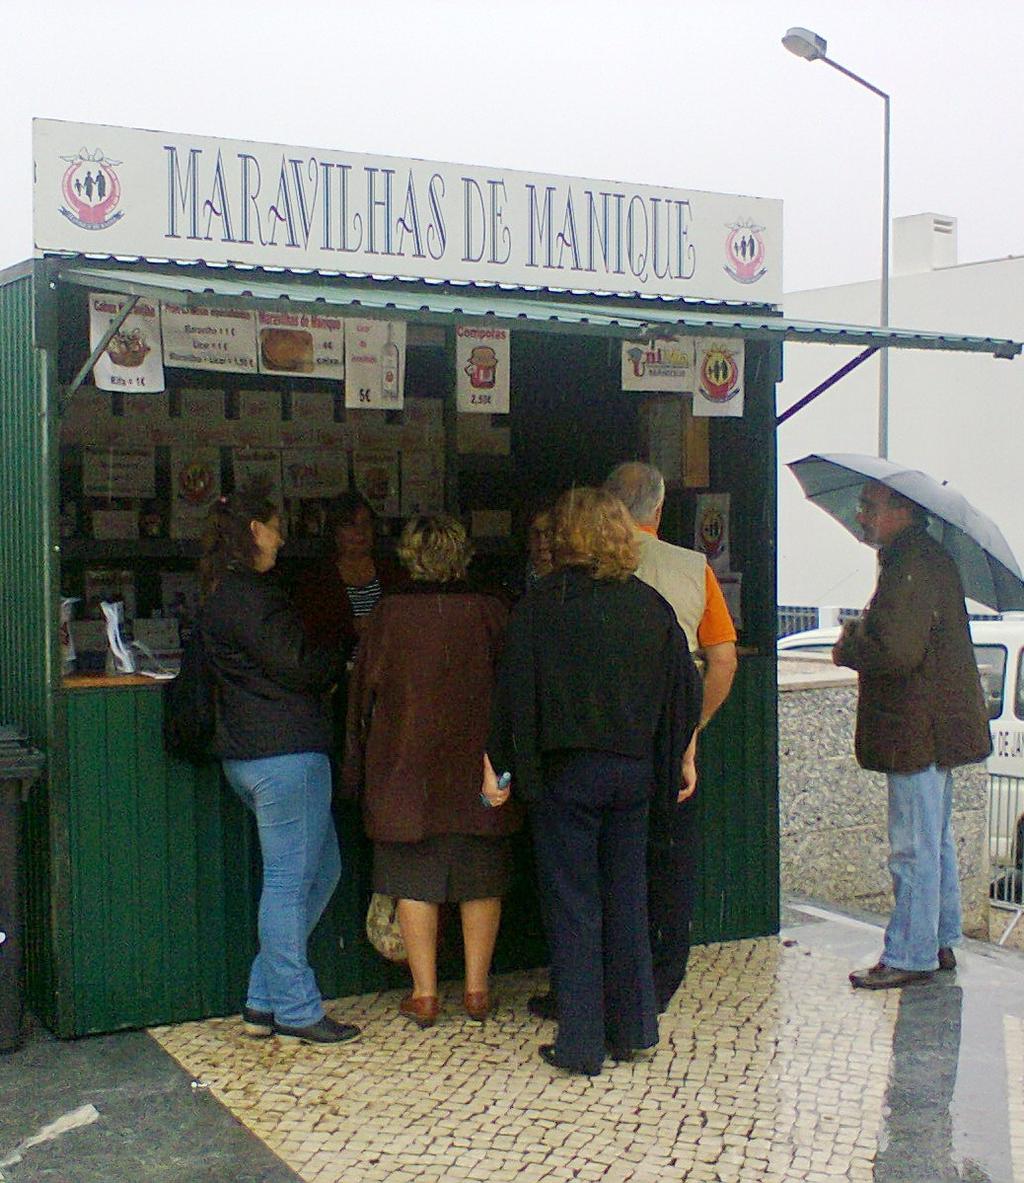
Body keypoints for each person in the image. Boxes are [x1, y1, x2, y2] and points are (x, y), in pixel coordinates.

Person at [484, 488, 700, 1075]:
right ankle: (634, 1027)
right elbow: (684, 689)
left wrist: (499, 762)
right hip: (632, 776)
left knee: (574, 903)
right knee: (627, 895)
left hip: (565, 776)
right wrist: (681, 757)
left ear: (564, 538)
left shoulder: (539, 606)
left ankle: (580, 1043)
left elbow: (512, 693)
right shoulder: (651, 607)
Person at [200, 487, 360, 1045]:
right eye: (274, 526)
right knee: (290, 883)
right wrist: (338, 659)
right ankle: (295, 1008)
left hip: (249, 753)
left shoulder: (222, 593)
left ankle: (262, 998)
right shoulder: (253, 596)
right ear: (252, 533)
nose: (282, 536)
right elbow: (296, 664)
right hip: (285, 754)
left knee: (323, 870)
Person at [343, 514, 517, 1026]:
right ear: (462, 556)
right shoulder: (491, 613)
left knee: (412, 877)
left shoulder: (388, 616)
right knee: (480, 873)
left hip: (404, 767)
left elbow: (361, 699)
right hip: (479, 766)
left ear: (409, 557)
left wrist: (354, 770)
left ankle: (424, 995)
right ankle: (478, 992)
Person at [833, 481, 991, 989]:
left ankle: (910, 953)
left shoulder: (910, 565)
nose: (861, 516)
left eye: (869, 507)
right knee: (934, 838)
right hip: (934, 725)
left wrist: (850, 646)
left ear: (901, 511)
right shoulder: (924, 559)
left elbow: (898, 652)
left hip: (915, 727)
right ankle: (938, 938)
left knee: (914, 845)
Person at [603, 461, 738, 1011]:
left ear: (607, 506)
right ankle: (661, 979)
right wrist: (693, 725)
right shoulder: (693, 568)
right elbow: (723, 662)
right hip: (668, 732)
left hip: (604, 732)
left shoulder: (589, 566)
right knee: (670, 861)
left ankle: (601, 982)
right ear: (659, 509)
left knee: (605, 861)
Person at [295, 491, 407, 665]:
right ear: (334, 532)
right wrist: (354, 627)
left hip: (389, 670)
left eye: (366, 523)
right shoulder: (318, 579)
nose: (360, 531)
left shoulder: (392, 571)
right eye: (350, 525)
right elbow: (312, 635)